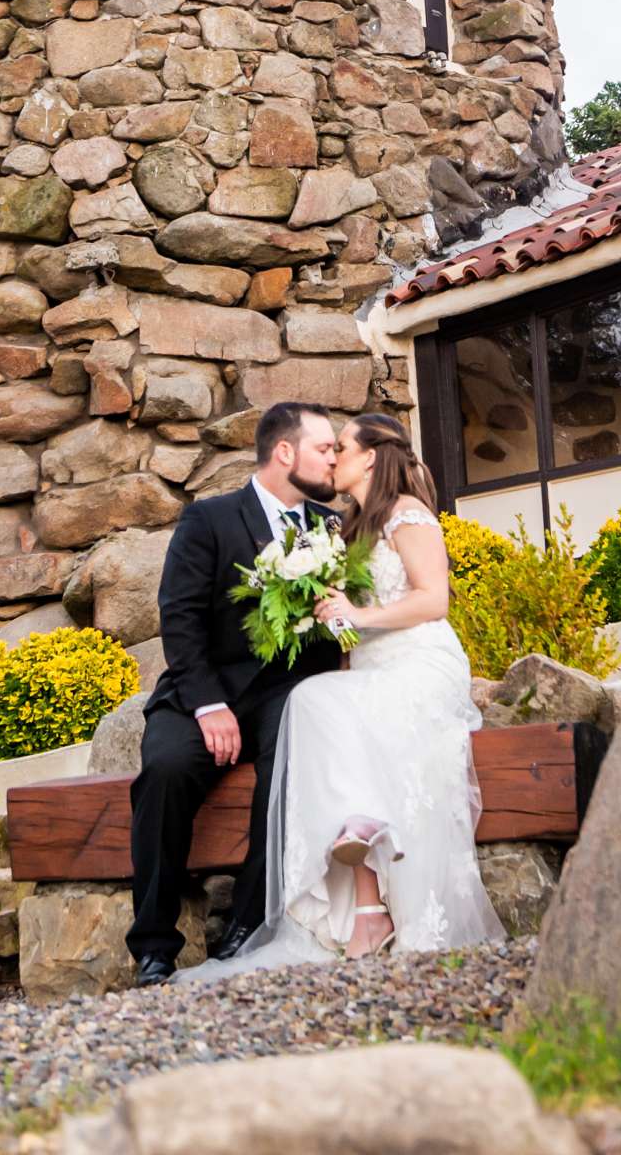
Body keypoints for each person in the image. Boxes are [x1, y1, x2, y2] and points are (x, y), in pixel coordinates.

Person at [195, 409, 503, 974]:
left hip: (418, 663)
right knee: (314, 699)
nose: (332, 457)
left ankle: (370, 887)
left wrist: (357, 614)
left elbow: (434, 600)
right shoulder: (347, 528)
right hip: (368, 667)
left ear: (371, 456)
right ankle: (365, 905)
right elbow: (352, 627)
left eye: (341, 447)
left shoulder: (406, 514)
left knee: (317, 701)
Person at [126, 400, 343, 986]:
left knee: (292, 765)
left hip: (288, 693)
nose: (334, 459)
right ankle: (152, 944)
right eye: (325, 448)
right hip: (207, 689)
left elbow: (333, 634)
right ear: (284, 452)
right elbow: (181, 616)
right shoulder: (210, 519)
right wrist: (208, 704)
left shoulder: (330, 527)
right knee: (166, 769)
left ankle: (246, 924)